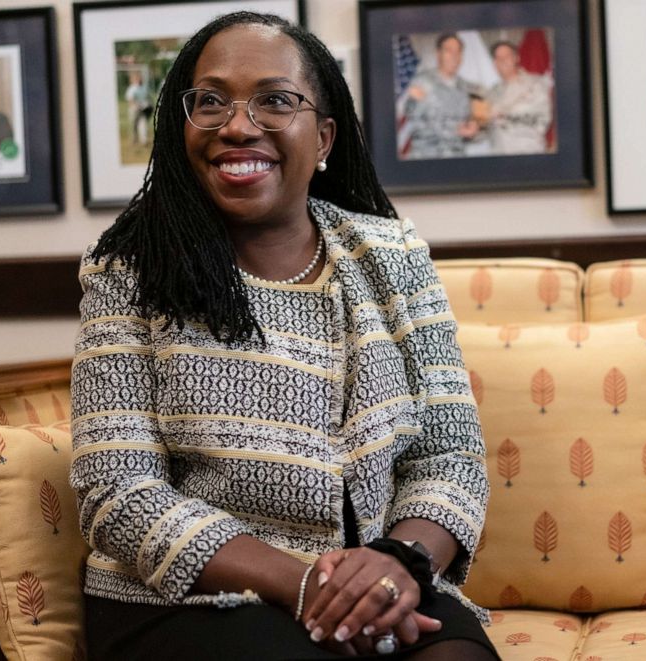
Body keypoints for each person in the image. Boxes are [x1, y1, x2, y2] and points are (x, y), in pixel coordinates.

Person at [71, 11, 495, 661]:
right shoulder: (130, 271)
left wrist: (399, 564)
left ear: (323, 137)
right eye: (210, 101)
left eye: (274, 100)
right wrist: (306, 584)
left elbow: (451, 457)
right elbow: (118, 492)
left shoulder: (393, 255)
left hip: (378, 579)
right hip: (189, 597)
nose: (237, 125)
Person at [401, 33, 481, 159]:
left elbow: (471, 128)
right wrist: (455, 131)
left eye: (458, 51)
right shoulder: (422, 81)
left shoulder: (466, 88)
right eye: (449, 51)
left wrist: (473, 131)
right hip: (426, 157)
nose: (454, 56)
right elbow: (414, 120)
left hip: (456, 159)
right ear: (438, 54)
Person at [484, 41, 553, 155]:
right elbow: (487, 128)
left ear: (517, 58)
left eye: (506, 56)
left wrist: (503, 119)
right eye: (498, 57)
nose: (502, 60)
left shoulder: (536, 84)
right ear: (494, 63)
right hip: (498, 156)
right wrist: (476, 129)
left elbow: (541, 123)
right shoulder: (491, 93)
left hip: (528, 155)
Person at [125, 72, 151, 145]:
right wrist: (136, 105)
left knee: (143, 124)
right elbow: (130, 99)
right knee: (134, 125)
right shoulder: (132, 88)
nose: (139, 80)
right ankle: (134, 139)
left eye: (140, 78)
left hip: (143, 109)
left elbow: (148, 97)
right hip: (134, 109)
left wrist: (148, 103)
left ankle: (144, 140)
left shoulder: (144, 88)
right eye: (137, 78)